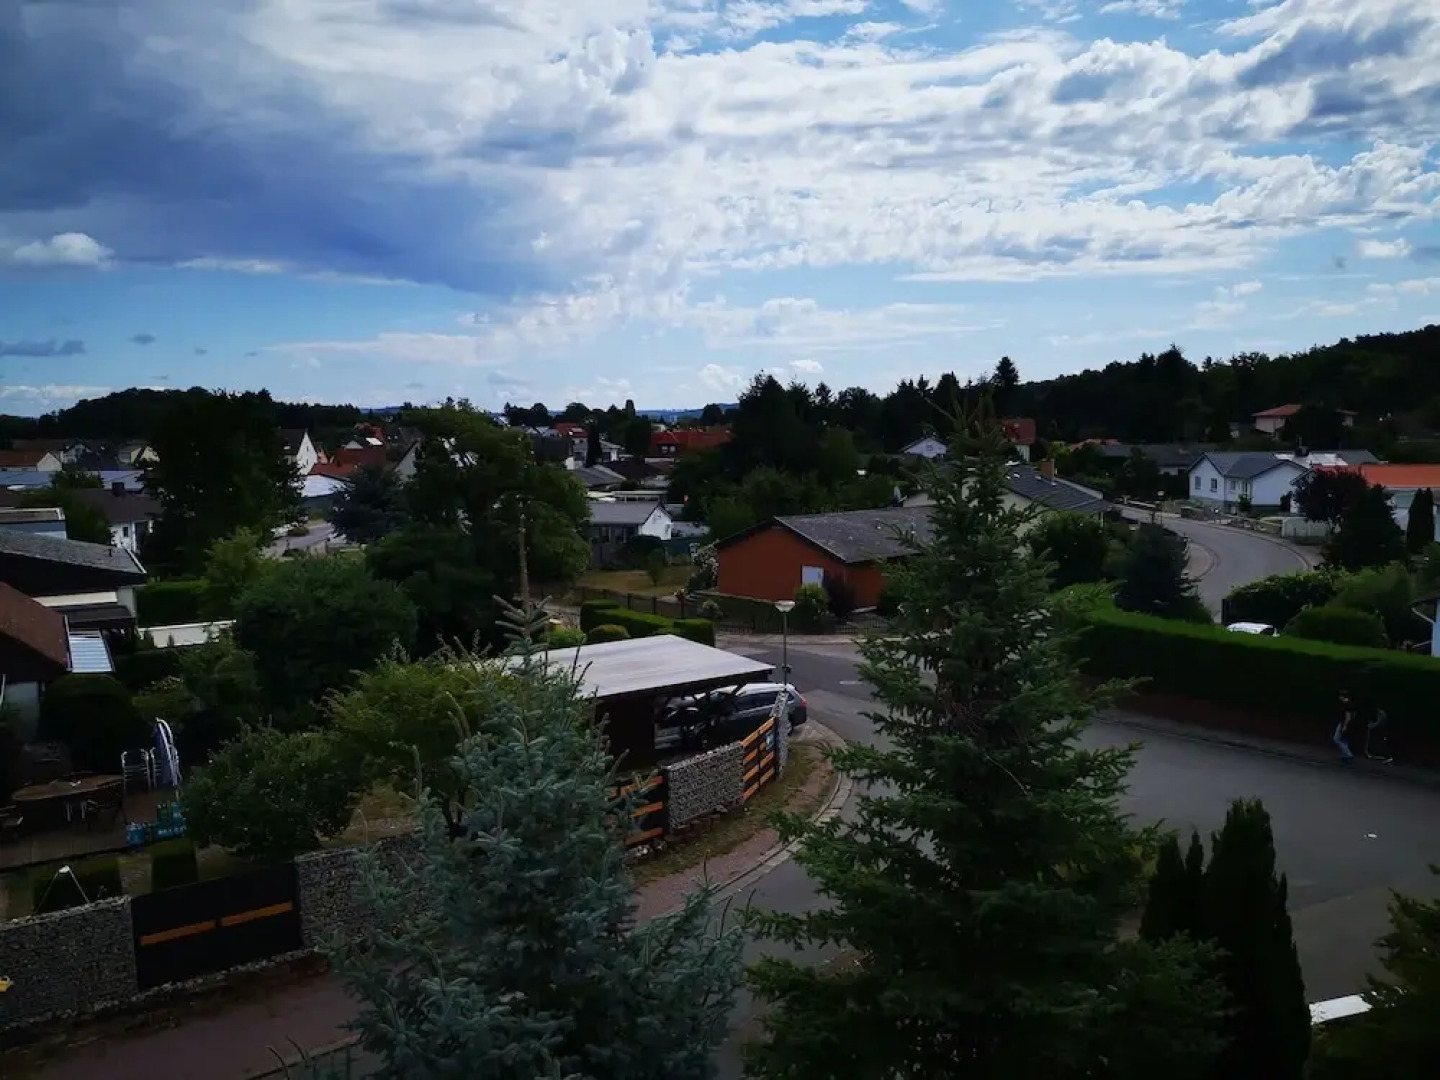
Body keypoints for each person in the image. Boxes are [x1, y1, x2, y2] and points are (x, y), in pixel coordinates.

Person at [1334, 691, 1356, 763]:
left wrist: (1345, 725)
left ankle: (1348, 754)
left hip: (1344, 723)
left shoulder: (1346, 704)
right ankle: (1345, 756)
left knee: (1336, 739)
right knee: (1344, 739)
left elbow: (1348, 716)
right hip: (1349, 723)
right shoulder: (1351, 704)